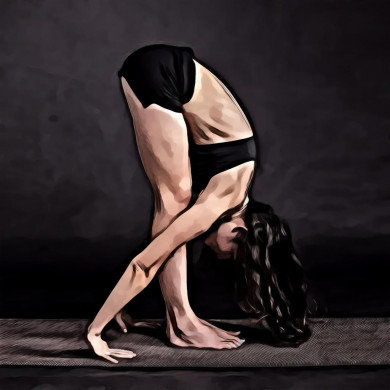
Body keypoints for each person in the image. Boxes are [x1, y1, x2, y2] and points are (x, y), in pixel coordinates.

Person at [86, 44, 312, 363]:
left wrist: (125, 305)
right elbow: (145, 262)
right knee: (173, 203)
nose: (218, 255)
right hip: (162, 72)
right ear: (238, 232)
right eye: (230, 252)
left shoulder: (232, 189)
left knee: (175, 209)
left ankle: (180, 319)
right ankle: (181, 323)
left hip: (169, 70)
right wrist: (96, 330)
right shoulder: (220, 202)